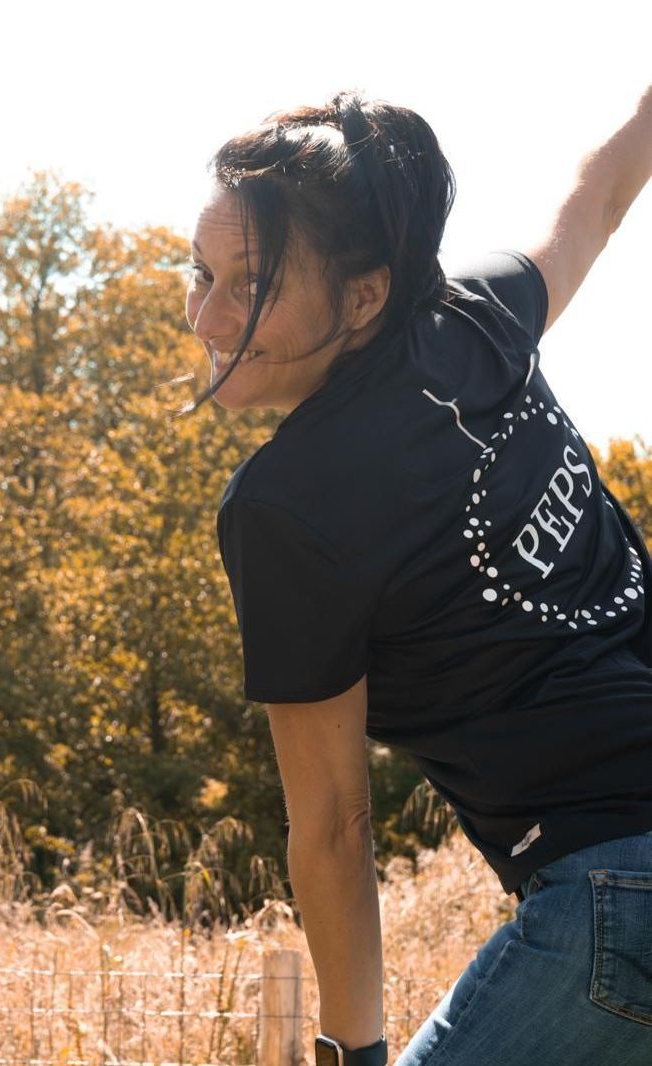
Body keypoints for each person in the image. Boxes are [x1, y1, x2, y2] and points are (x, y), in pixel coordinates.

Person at [188, 86, 652, 1064]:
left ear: (362, 292)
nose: (206, 315)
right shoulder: (477, 317)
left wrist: (352, 1052)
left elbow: (333, 827)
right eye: (200, 273)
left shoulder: (286, 506)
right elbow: (601, 193)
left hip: (619, 889)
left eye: (250, 284)